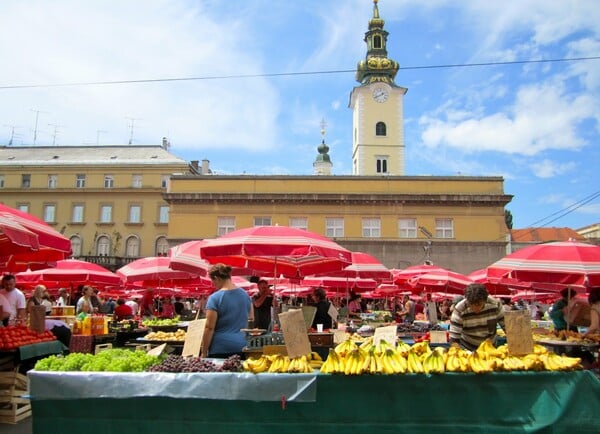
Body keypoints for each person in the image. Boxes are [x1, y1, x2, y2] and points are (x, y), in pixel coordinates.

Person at [201, 263, 252, 359]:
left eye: (213, 282)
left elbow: (209, 328)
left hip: (220, 347)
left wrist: (203, 352)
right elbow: (251, 317)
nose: (214, 285)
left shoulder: (214, 298)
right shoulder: (245, 295)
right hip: (242, 345)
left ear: (216, 278)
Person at [449, 283, 505, 351]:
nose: (475, 308)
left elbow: (507, 327)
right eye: (471, 304)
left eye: (479, 305)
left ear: (485, 300)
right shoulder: (460, 309)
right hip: (468, 348)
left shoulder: (495, 304)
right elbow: (454, 338)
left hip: (491, 347)